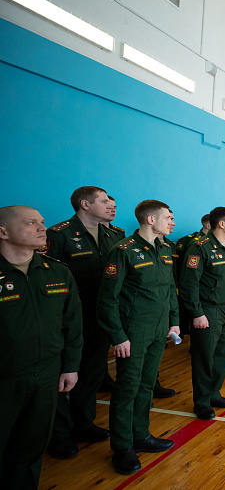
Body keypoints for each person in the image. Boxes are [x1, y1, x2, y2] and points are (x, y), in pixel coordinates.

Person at [0, 206, 82, 488]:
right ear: (3, 232)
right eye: (31, 223)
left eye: (42, 222)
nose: (42, 227)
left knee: (30, 449)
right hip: (5, 379)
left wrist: (70, 366)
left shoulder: (57, 271)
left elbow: (73, 326)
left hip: (46, 377)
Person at [96, 200, 180, 474]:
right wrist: (118, 336)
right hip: (133, 331)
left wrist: (174, 322)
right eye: (168, 218)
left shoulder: (165, 249)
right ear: (150, 220)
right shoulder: (123, 251)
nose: (172, 222)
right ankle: (122, 447)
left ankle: (141, 434)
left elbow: (170, 289)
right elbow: (107, 299)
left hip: (159, 328)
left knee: (146, 384)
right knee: (128, 387)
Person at [45, 186, 124, 459]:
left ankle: (83, 423)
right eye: (103, 201)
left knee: (91, 373)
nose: (110, 205)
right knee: (61, 377)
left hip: (101, 315)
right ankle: (59, 434)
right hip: (68, 318)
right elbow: (48, 277)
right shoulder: (59, 235)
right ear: (85, 204)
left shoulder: (115, 235)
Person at [179, 207, 225, 420]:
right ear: (221, 224)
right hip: (208, 311)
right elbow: (189, 284)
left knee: (223, 354)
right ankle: (202, 401)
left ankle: (214, 393)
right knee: (204, 357)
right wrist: (196, 313)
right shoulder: (199, 247)